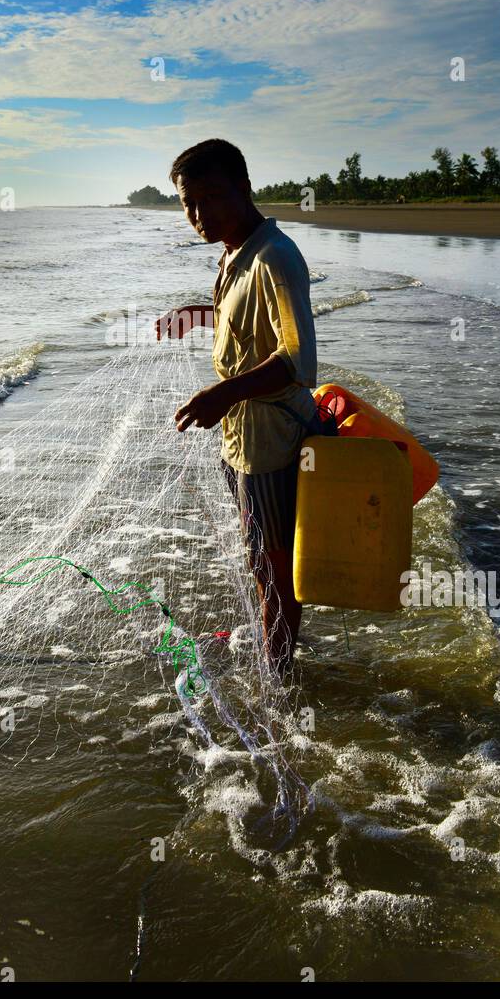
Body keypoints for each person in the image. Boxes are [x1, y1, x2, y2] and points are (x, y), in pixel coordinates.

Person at [155, 138, 329, 674]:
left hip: (272, 440)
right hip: (240, 437)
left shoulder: (275, 256)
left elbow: (299, 360)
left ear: (244, 189)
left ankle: (280, 677)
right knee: (259, 555)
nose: (199, 214)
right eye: (188, 203)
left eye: (211, 197)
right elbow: (245, 320)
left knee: (274, 563)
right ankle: (277, 652)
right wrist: (200, 314)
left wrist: (225, 392)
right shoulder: (234, 251)